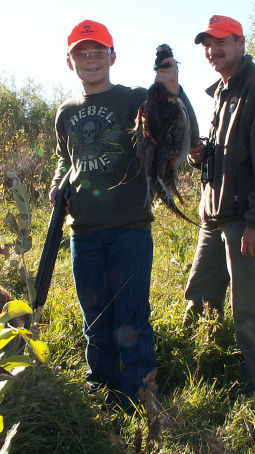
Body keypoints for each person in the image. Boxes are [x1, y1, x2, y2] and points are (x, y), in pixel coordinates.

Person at [50, 19, 199, 409]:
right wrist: (56, 185)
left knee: (132, 320)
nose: (91, 59)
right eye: (82, 53)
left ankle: (142, 398)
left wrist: (173, 90)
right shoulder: (65, 112)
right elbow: (65, 160)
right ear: (70, 62)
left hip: (130, 230)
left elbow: (184, 133)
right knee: (96, 322)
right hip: (83, 233)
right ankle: (103, 396)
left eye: (98, 51)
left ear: (112, 56)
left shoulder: (135, 98)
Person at [184, 15, 255, 396]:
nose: (213, 51)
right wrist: (199, 155)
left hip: (245, 223)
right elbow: (228, 154)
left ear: (240, 42)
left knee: (247, 310)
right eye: (207, 45)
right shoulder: (221, 92)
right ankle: (194, 372)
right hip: (213, 218)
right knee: (199, 299)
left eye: (221, 42)